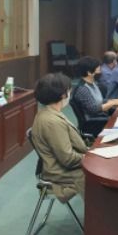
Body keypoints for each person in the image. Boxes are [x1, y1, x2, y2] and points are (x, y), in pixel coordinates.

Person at [30, 73, 88, 202]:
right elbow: (68, 159)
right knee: (100, 177)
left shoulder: (49, 112)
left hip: (62, 166)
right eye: (69, 90)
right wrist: (89, 158)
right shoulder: (52, 122)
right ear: (63, 95)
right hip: (61, 172)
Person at [71, 56, 118, 137]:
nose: (101, 71)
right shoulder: (83, 89)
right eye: (98, 69)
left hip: (101, 117)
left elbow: (99, 100)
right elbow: (94, 109)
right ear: (89, 72)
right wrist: (112, 103)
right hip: (93, 123)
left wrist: (115, 101)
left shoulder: (93, 83)